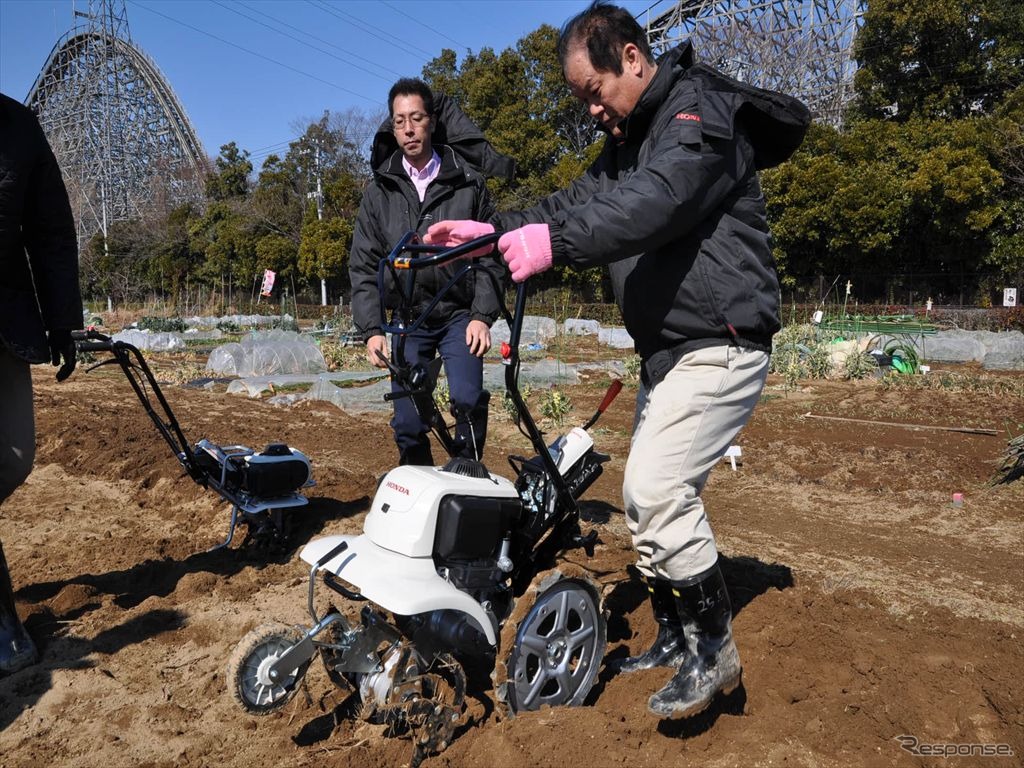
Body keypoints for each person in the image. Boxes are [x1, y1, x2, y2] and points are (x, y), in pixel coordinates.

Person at [425, 1, 808, 719]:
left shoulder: (700, 117)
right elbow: (577, 198)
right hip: (669, 349)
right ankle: (675, 631)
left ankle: (713, 650)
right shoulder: (632, 138)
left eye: (593, 93)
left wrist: (557, 246)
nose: (591, 111)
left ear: (632, 58)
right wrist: (489, 232)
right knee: (640, 497)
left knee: (660, 490)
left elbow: (652, 204)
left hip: (721, 339)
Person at [349, 78, 509, 467]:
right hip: (408, 320)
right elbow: (364, 264)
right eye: (399, 120)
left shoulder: (467, 184)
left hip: (458, 313)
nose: (408, 129)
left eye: (416, 118)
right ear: (392, 126)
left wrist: (481, 316)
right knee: (407, 420)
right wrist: (371, 330)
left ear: (432, 121)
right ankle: (418, 488)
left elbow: (491, 253)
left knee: (467, 401)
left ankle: (466, 479)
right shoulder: (380, 192)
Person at [0, 92, 82, 674]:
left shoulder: (17, 126)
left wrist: (61, 321)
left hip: (3, 320)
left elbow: (50, 233)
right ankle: (3, 619)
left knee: (14, 456)